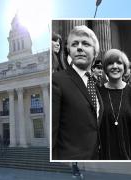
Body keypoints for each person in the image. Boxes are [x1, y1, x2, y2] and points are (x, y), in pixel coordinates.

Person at [52, 25, 103, 160]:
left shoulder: (95, 83)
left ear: (95, 52)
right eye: (74, 44)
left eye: (85, 43)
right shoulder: (57, 80)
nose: (79, 47)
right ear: (69, 51)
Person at [98, 49, 131, 160]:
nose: (115, 66)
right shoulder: (98, 94)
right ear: (105, 69)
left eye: (119, 63)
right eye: (110, 63)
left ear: (125, 67)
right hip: (106, 155)